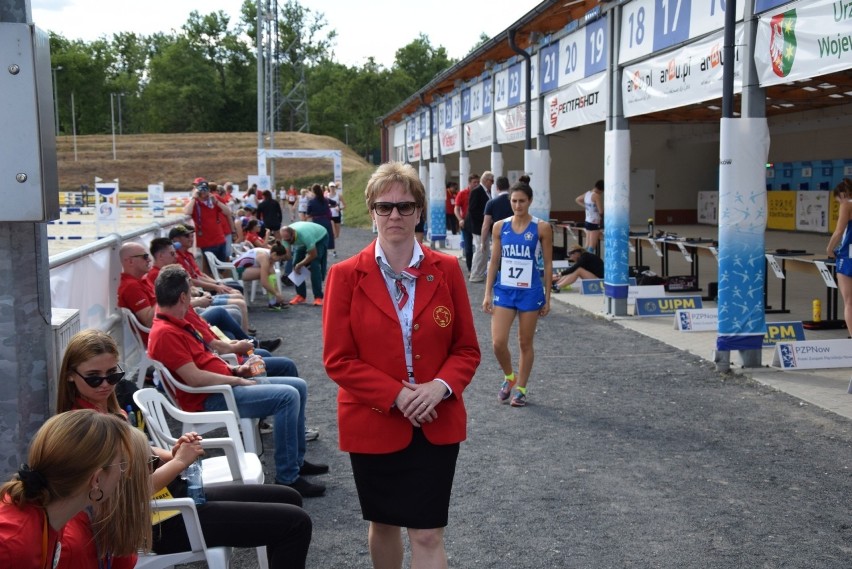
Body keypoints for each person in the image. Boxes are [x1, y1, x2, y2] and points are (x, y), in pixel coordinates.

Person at [323, 161, 480, 569]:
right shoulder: (343, 276)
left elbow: (466, 350)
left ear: (420, 212)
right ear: (371, 211)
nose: (395, 215)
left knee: (427, 532)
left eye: (405, 206)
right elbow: (338, 360)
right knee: (385, 524)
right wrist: (396, 395)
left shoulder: (446, 270)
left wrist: (438, 387)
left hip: (436, 416)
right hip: (373, 420)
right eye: (385, 206)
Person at [55, 329, 313, 567]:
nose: (105, 384)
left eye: (113, 375)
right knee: (295, 523)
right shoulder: (85, 427)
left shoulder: (108, 409)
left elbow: (139, 454)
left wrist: (174, 453)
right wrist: (180, 462)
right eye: (94, 378)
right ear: (70, 374)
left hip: (172, 500)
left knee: (289, 498)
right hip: (159, 522)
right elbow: (126, 493)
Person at [148, 264, 328, 497]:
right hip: (212, 396)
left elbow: (204, 361)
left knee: (299, 387)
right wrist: (235, 380)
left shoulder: (175, 324)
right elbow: (194, 378)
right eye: (190, 292)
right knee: (288, 396)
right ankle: (288, 476)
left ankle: (295, 460)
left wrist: (234, 369)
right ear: (183, 297)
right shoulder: (165, 333)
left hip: (221, 386)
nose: (193, 296)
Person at [0, 410, 144, 567]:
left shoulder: (49, 519)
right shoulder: (12, 545)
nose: (125, 474)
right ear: (97, 479)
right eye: (122, 464)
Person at [482, 180, 553, 408]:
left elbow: (549, 265)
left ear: (530, 201)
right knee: (498, 342)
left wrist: (548, 297)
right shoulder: (499, 227)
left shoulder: (541, 228)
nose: (518, 205)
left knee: (525, 342)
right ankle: (509, 376)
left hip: (530, 292)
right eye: (514, 201)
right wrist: (487, 293)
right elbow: (494, 262)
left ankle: (521, 389)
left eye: (522, 201)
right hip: (505, 289)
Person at [170, 223, 244, 294]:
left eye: (192, 236)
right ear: (175, 239)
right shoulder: (176, 258)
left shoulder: (188, 255)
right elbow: (192, 280)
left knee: (236, 286)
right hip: (198, 290)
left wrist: (217, 283)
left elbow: (200, 275)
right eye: (187, 236)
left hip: (203, 286)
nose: (191, 239)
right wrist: (215, 286)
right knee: (237, 289)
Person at [279, 221, 330, 306]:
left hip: (320, 237)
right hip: (303, 239)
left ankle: (318, 297)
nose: (287, 242)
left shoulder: (305, 236)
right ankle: (300, 295)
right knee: (294, 264)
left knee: (314, 265)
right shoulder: (285, 238)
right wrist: (279, 256)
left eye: (289, 240)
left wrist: (301, 264)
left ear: (293, 234)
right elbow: (288, 257)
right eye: (285, 240)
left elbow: (313, 255)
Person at [184, 179, 236, 262]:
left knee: (223, 263)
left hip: (220, 239)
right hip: (206, 241)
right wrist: (194, 197)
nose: (204, 192)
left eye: (206, 189)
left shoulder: (213, 201)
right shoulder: (195, 203)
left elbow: (227, 212)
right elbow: (187, 212)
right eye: (201, 189)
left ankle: (221, 275)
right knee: (209, 266)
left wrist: (216, 202)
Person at [827, 178, 852, 334]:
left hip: (848, 256)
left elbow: (839, 232)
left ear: (842, 195)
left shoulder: (846, 205)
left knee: (849, 302)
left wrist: (829, 249)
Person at [232, 245, 291, 309]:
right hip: (235, 271)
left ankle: (273, 302)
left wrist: (278, 293)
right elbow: (264, 282)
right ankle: (273, 302)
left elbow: (273, 279)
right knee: (267, 272)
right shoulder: (264, 257)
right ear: (274, 254)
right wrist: (276, 293)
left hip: (244, 268)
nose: (279, 261)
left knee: (271, 271)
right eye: (279, 258)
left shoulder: (270, 255)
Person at [478, 176, 513, 266]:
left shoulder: (491, 203)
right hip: (514, 234)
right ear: (509, 187)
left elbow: (486, 225)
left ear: (497, 188)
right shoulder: (514, 202)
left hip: (498, 235)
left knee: (497, 261)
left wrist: (483, 242)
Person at [467, 171, 494, 282]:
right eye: (491, 181)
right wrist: (486, 219)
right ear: (486, 180)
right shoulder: (477, 191)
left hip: (484, 226)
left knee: (485, 250)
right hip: (478, 226)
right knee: (479, 249)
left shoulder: (486, 192)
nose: (492, 183)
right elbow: (472, 209)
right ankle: (475, 273)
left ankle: (480, 273)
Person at [455, 173, 478, 272]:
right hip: (466, 223)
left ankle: (478, 269)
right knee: (468, 248)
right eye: (474, 182)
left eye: (478, 182)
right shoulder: (462, 193)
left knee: (480, 248)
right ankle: (470, 269)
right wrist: (460, 219)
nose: (476, 184)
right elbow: (456, 208)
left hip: (478, 223)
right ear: (469, 183)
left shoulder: (480, 193)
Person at [306, 183, 336, 256]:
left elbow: (308, 213)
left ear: (313, 191)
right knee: (326, 240)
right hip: (326, 221)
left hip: (316, 222)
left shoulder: (311, 201)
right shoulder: (325, 200)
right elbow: (335, 203)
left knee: (317, 241)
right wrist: (328, 207)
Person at [575, 179, 604, 253]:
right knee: (592, 246)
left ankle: (584, 260)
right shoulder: (596, 196)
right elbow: (600, 211)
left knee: (587, 245)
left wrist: (586, 206)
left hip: (587, 220)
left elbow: (577, 199)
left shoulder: (587, 193)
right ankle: (587, 262)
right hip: (595, 222)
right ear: (601, 190)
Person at [327, 181, 345, 254]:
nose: (332, 188)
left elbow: (344, 205)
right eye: (331, 187)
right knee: (332, 233)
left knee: (337, 235)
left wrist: (339, 208)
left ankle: (332, 246)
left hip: (337, 216)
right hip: (329, 216)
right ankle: (333, 249)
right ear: (329, 188)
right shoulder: (326, 196)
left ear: (335, 187)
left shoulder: (339, 195)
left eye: (333, 187)